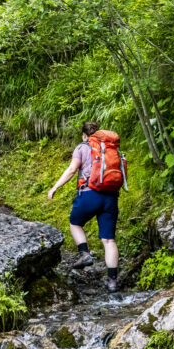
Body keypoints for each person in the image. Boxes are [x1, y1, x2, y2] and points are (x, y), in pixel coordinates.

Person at [47, 121, 120, 292]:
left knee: (75, 222)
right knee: (109, 240)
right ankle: (112, 282)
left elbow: (72, 170)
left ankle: (85, 254)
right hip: (110, 196)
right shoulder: (110, 149)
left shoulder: (82, 147)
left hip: (89, 193)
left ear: (84, 135)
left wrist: (55, 187)